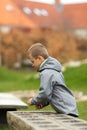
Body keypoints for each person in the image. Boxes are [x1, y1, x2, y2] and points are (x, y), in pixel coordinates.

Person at [27, 43, 78, 117]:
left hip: (66, 110)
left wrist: (33, 101)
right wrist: (43, 103)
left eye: (33, 61)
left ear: (40, 58)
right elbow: (52, 92)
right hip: (69, 107)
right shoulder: (54, 70)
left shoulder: (46, 72)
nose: (32, 65)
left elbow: (44, 94)